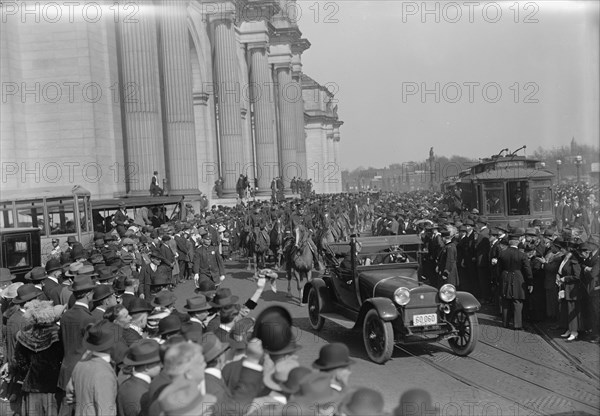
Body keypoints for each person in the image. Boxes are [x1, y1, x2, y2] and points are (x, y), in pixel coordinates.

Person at [498, 231, 533, 330]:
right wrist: (530, 282)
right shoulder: (522, 255)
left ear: (509, 242)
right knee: (517, 301)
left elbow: (498, 269)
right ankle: (517, 324)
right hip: (518, 277)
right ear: (517, 242)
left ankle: (505, 322)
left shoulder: (503, 253)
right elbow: (527, 269)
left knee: (505, 300)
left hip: (505, 276)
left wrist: (498, 279)